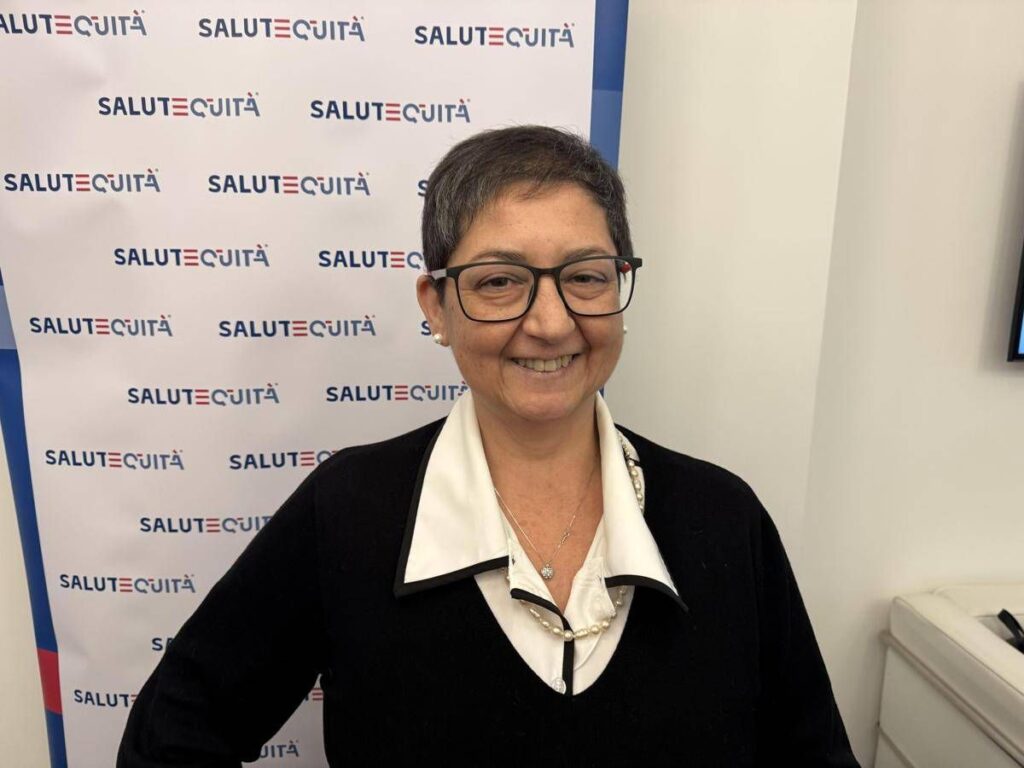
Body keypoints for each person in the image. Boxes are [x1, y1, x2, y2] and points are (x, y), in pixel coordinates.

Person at [118, 126, 860, 766]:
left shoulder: (723, 517)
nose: (551, 322)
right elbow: (172, 735)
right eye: (501, 282)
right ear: (437, 306)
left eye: (585, 277)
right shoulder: (348, 509)